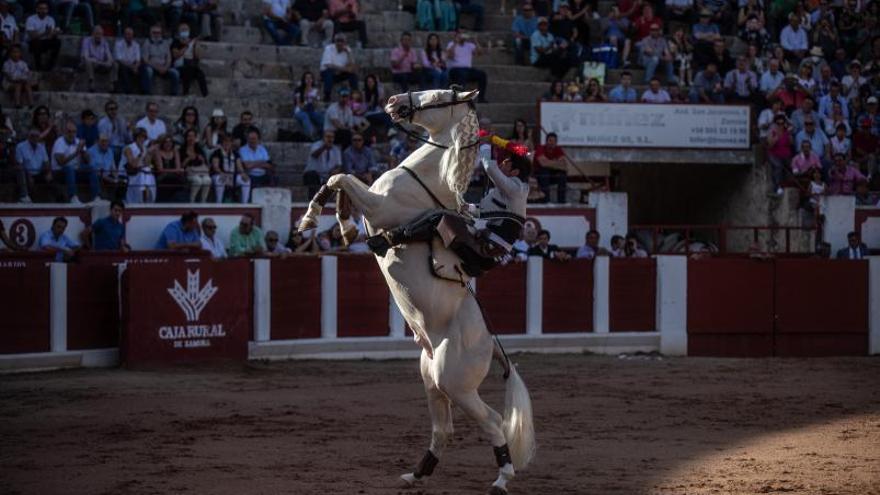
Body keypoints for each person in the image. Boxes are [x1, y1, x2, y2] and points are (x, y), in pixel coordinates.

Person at [369, 155, 530, 277]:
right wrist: (466, 207)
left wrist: (485, 147)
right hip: (488, 249)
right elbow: (486, 213)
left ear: (515, 172)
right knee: (448, 216)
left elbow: (489, 168)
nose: (501, 163)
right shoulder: (512, 193)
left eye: (506, 163)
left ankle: (388, 240)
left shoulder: (516, 188)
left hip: (485, 250)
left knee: (440, 219)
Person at [52, 120, 92, 204]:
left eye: (74, 132)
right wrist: (76, 152)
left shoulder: (78, 141)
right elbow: (61, 162)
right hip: (60, 172)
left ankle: (96, 196)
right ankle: (73, 197)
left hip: (75, 170)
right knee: (69, 168)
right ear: (64, 132)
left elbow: (88, 161)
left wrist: (83, 151)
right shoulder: (59, 142)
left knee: (91, 168)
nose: (71, 134)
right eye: (69, 132)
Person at [446, 30, 488, 102]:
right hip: (455, 69)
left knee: (482, 74)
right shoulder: (451, 44)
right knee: (462, 74)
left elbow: (480, 53)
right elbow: (450, 56)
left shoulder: (469, 45)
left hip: (467, 69)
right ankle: (460, 98)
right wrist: (456, 42)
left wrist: (475, 41)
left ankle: (481, 98)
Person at [13, 129, 51, 203]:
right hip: (26, 173)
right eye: (32, 136)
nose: (35, 138)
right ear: (28, 137)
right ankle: (24, 196)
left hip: (39, 173)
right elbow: (20, 164)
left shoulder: (41, 147)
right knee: (20, 170)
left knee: (52, 177)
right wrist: (29, 175)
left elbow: (46, 162)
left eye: (37, 136)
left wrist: (48, 172)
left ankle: (60, 200)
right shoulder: (20, 147)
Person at [211, 133, 250, 203]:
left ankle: (245, 203)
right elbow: (215, 167)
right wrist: (222, 174)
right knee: (220, 180)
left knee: (246, 180)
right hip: (219, 174)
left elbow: (239, 167)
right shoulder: (217, 152)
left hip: (232, 176)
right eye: (225, 141)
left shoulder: (235, 153)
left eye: (229, 141)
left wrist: (243, 174)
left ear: (231, 143)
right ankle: (218, 203)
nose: (227, 143)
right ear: (222, 142)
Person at [141, 25, 179, 96]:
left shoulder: (165, 43)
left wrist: (166, 67)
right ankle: (147, 93)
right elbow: (145, 60)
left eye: (158, 33)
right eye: (154, 33)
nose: (156, 35)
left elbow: (168, 58)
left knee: (175, 73)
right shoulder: (147, 43)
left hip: (164, 67)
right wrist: (157, 68)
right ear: (150, 33)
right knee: (148, 71)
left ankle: (174, 94)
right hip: (152, 66)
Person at [171, 23, 207, 96]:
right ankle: (185, 93)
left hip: (192, 65)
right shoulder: (175, 42)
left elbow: (198, 56)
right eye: (182, 30)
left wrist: (196, 45)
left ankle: (205, 94)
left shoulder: (193, 42)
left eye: (186, 29)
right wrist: (186, 46)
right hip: (180, 66)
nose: (185, 31)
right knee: (188, 71)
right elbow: (176, 55)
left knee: (200, 74)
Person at [533, 132, 571, 203]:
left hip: (552, 175)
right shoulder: (540, 148)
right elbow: (543, 164)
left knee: (562, 174)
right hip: (538, 175)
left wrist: (549, 162)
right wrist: (556, 163)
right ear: (546, 141)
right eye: (550, 140)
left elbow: (565, 165)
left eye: (554, 141)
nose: (552, 143)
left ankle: (561, 202)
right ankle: (546, 201)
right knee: (544, 171)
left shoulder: (558, 149)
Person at [320, 33, 358, 102]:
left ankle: (355, 95)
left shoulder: (348, 50)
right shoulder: (329, 48)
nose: (340, 43)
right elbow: (328, 65)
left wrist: (348, 53)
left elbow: (352, 67)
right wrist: (344, 69)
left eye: (342, 41)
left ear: (345, 42)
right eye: (338, 41)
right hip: (328, 72)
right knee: (329, 73)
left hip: (340, 73)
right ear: (335, 41)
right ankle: (327, 95)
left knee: (353, 75)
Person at [122, 127, 156, 203]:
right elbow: (133, 164)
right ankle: (142, 199)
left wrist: (149, 153)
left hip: (140, 172)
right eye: (140, 137)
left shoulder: (144, 148)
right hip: (130, 173)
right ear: (136, 137)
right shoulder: (129, 148)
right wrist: (140, 154)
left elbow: (147, 163)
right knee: (144, 174)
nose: (142, 139)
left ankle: (148, 198)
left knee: (147, 171)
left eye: (144, 137)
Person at [304, 129, 342, 197]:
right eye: (328, 137)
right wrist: (324, 147)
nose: (330, 139)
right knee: (311, 175)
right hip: (314, 175)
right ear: (323, 138)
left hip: (327, 175)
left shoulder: (336, 150)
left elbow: (339, 165)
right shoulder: (316, 145)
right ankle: (312, 199)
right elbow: (314, 155)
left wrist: (336, 170)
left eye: (332, 137)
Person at [25, 1, 61, 71]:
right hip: (32, 42)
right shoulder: (31, 19)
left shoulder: (50, 19)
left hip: (44, 41)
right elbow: (32, 36)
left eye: (45, 9)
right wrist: (45, 33)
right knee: (37, 42)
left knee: (57, 42)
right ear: (37, 9)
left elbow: (50, 35)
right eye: (41, 8)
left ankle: (50, 66)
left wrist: (55, 33)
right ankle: (38, 67)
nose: (43, 11)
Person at [80, 26, 114, 93]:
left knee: (115, 64)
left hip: (100, 64)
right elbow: (86, 57)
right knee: (88, 61)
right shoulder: (86, 41)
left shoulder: (104, 43)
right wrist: (101, 62)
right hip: (89, 63)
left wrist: (107, 62)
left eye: (100, 34)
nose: (99, 36)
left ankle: (112, 84)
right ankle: (91, 83)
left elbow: (110, 58)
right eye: (97, 34)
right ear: (93, 34)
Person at [180, 128, 210, 202]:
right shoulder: (182, 149)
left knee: (207, 180)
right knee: (198, 180)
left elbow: (206, 164)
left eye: (193, 136)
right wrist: (188, 159)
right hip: (189, 172)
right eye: (189, 136)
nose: (191, 138)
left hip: (201, 171)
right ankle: (192, 200)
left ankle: (203, 201)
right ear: (186, 138)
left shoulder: (199, 149)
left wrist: (202, 160)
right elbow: (180, 165)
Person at [294, 71, 324, 140]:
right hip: (300, 111)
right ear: (304, 80)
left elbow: (316, 106)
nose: (309, 80)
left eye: (310, 78)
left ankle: (322, 134)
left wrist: (314, 100)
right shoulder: (299, 90)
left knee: (320, 116)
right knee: (305, 116)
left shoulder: (315, 91)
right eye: (307, 78)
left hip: (311, 110)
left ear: (312, 80)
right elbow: (298, 105)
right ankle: (311, 136)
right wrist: (306, 100)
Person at [87, 133, 117, 199]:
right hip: (97, 176)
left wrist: (116, 178)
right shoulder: (90, 151)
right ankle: (98, 197)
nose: (105, 143)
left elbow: (113, 168)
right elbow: (93, 170)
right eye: (102, 141)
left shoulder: (110, 151)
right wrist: (109, 179)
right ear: (97, 141)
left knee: (122, 182)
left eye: (106, 141)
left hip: (108, 176)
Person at [114, 27, 143, 94]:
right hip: (123, 64)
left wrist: (135, 67)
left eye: (130, 34)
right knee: (123, 68)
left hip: (133, 64)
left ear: (133, 35)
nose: (128, 36)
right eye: (127, 34)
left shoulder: (136, 45)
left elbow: (138, 59)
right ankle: (127, 89)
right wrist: (132, 67)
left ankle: (144, 90)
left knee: (143, 68)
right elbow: (119, 59)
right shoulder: (118, 44)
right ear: (124, 35)